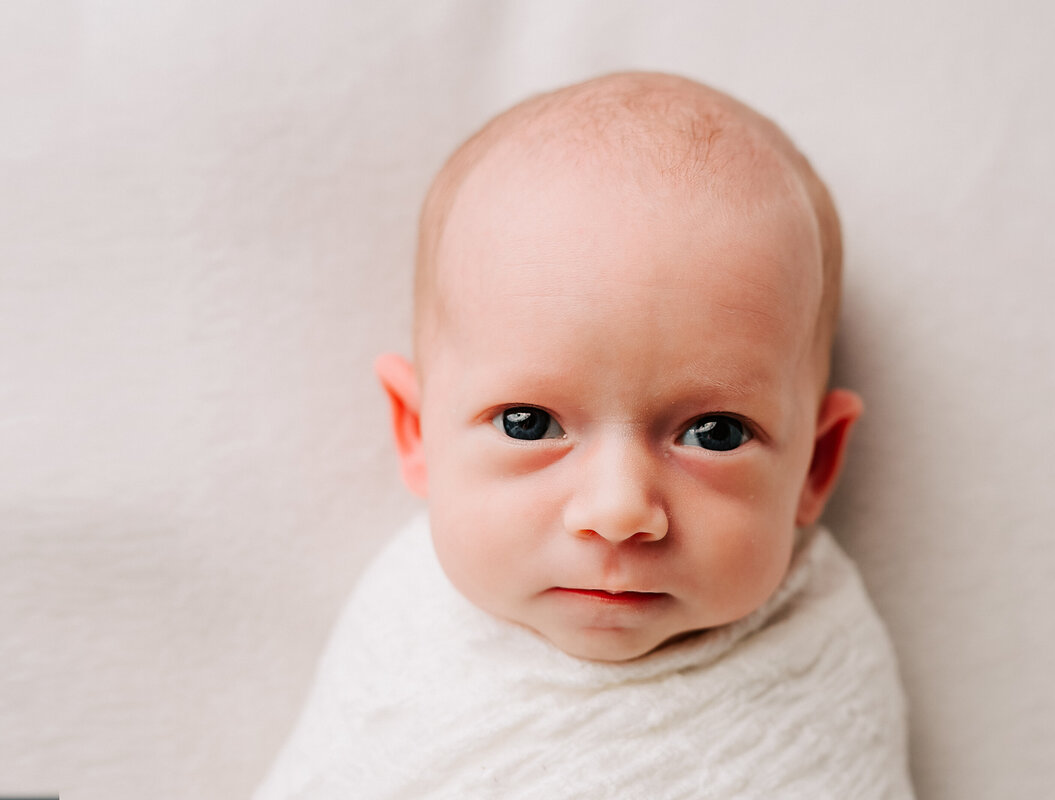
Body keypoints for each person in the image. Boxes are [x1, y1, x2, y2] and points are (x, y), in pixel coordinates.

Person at [255, 71, 912, 798]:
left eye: (715, 433)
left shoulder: (818, 671)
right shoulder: (402, 650)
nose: (618, 512)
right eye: (529, 424)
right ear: (417, 432)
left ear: (817, 465)